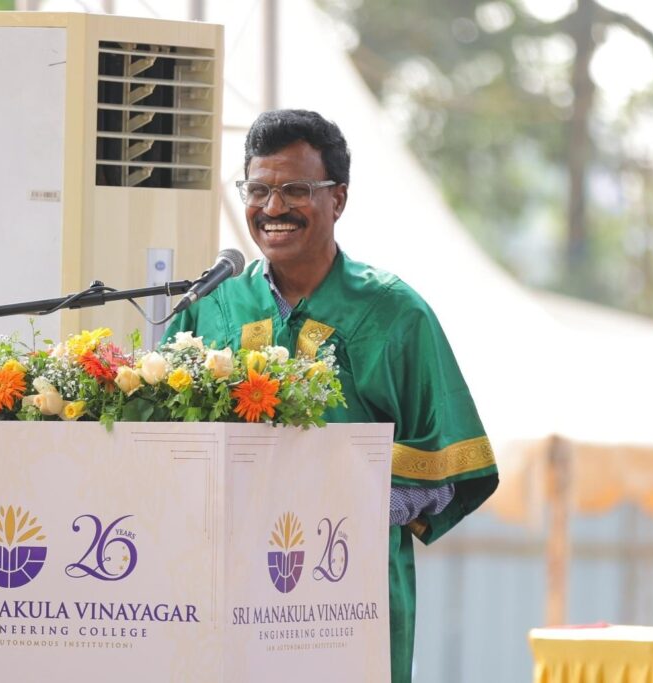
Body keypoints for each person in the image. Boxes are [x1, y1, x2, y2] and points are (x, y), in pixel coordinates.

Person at [164, 109, 498, 682]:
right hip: (225, 593)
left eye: (296, 190)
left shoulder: (396, 314)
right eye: (258, 190)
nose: (273, 207)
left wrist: (340, 496)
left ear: (337, 199)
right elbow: (163, 451)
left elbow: (451, 466)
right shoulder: (210, 306)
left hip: (343, 594)